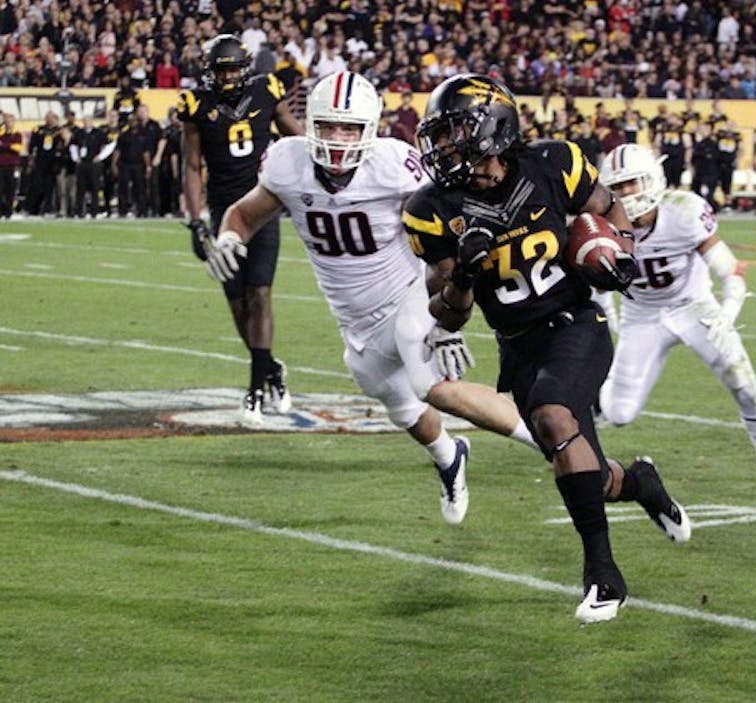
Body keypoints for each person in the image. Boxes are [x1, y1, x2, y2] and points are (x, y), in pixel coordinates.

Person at [402, 74, 690, 624]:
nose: (443, 149)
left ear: (493, 129)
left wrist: (619, 255)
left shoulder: (554, 163)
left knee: (555, 417)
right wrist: (463, 271)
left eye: (454, 133)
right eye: (439, 137)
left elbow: (612, 211)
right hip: (518, 344)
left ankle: (603, 576)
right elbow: (448, 309)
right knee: (584, 469)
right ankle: (642, 484)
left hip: (578, 324)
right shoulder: (431, 207)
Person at [205, 71, 538, 525]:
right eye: (328, 126)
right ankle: (450, 456)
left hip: (408, 296)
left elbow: (451, 210)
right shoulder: (287, 163)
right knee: (399, 403)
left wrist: (445, 313)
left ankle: (552, 442)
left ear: (370, 130)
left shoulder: (394, 165)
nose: (338, 139)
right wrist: (228, 238)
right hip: (355, 321)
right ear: (310, 123)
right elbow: (244, 214)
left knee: (431, 386)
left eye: (349, 128)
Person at [597, 143, 756, 489]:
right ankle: (592, 404)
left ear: (655, 180)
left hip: (693, 306)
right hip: (641, 315)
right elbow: (595, 278)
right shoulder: (600, 224)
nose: (626, 193)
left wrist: (727, 313)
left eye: (633, 183)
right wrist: (606, 310)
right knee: (619, 414)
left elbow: (729, 270)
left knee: (742, 381)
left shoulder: (684, 211)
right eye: (617, 186)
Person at [178, 34, 302, 425]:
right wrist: (196, 221)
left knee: (260, 292)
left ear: (245, 68)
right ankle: (269, 369)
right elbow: (192, 166)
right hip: (223, 211)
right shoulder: (197, 105)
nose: (229, 76)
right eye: (223, 69)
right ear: (210, 72)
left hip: (262, 204)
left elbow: (295, 137)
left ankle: (254, 393)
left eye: (234, 68)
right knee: (237, 302)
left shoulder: (266, 90)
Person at [69, 114, 106, 218]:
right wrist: (75, 158)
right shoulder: (78, 133)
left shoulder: (98, 133)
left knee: (95, 188)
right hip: (82, 164)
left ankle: (94, 212)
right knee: (81, 188)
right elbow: (73, 145)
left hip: (94, 164)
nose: (86, 122)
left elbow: (109, 144)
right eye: (84, 120)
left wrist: (100, 156)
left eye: (88, 120)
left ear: (92, 121)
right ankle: (79, 211)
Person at [0, 112, 23, 218]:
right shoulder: (1, 133)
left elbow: (18, 148)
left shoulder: (17, 134)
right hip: (1, 164)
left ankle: (8, 211)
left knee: (11, 189)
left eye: (10, 121)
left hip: (12, 165)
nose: (8, 123)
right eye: (6, 121)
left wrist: (4, 145)